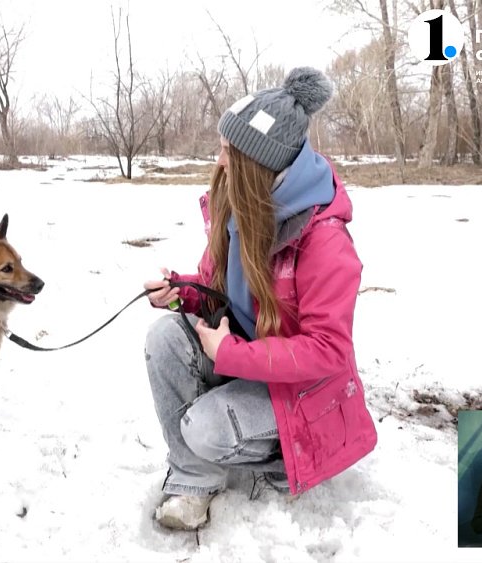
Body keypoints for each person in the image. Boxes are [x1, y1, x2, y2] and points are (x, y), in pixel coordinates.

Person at [142, 67, 378, 531]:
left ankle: (285, 465)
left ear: (260, 163)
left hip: (305, 393)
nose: (220, 160)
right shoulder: (240, 206)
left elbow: (329, 350)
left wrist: (230, 353)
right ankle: (192, 482)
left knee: (205, 428)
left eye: (230, 151)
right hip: (250, 360)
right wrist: (184, 292)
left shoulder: (325, 240)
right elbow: (221, 288)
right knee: (165, 338)